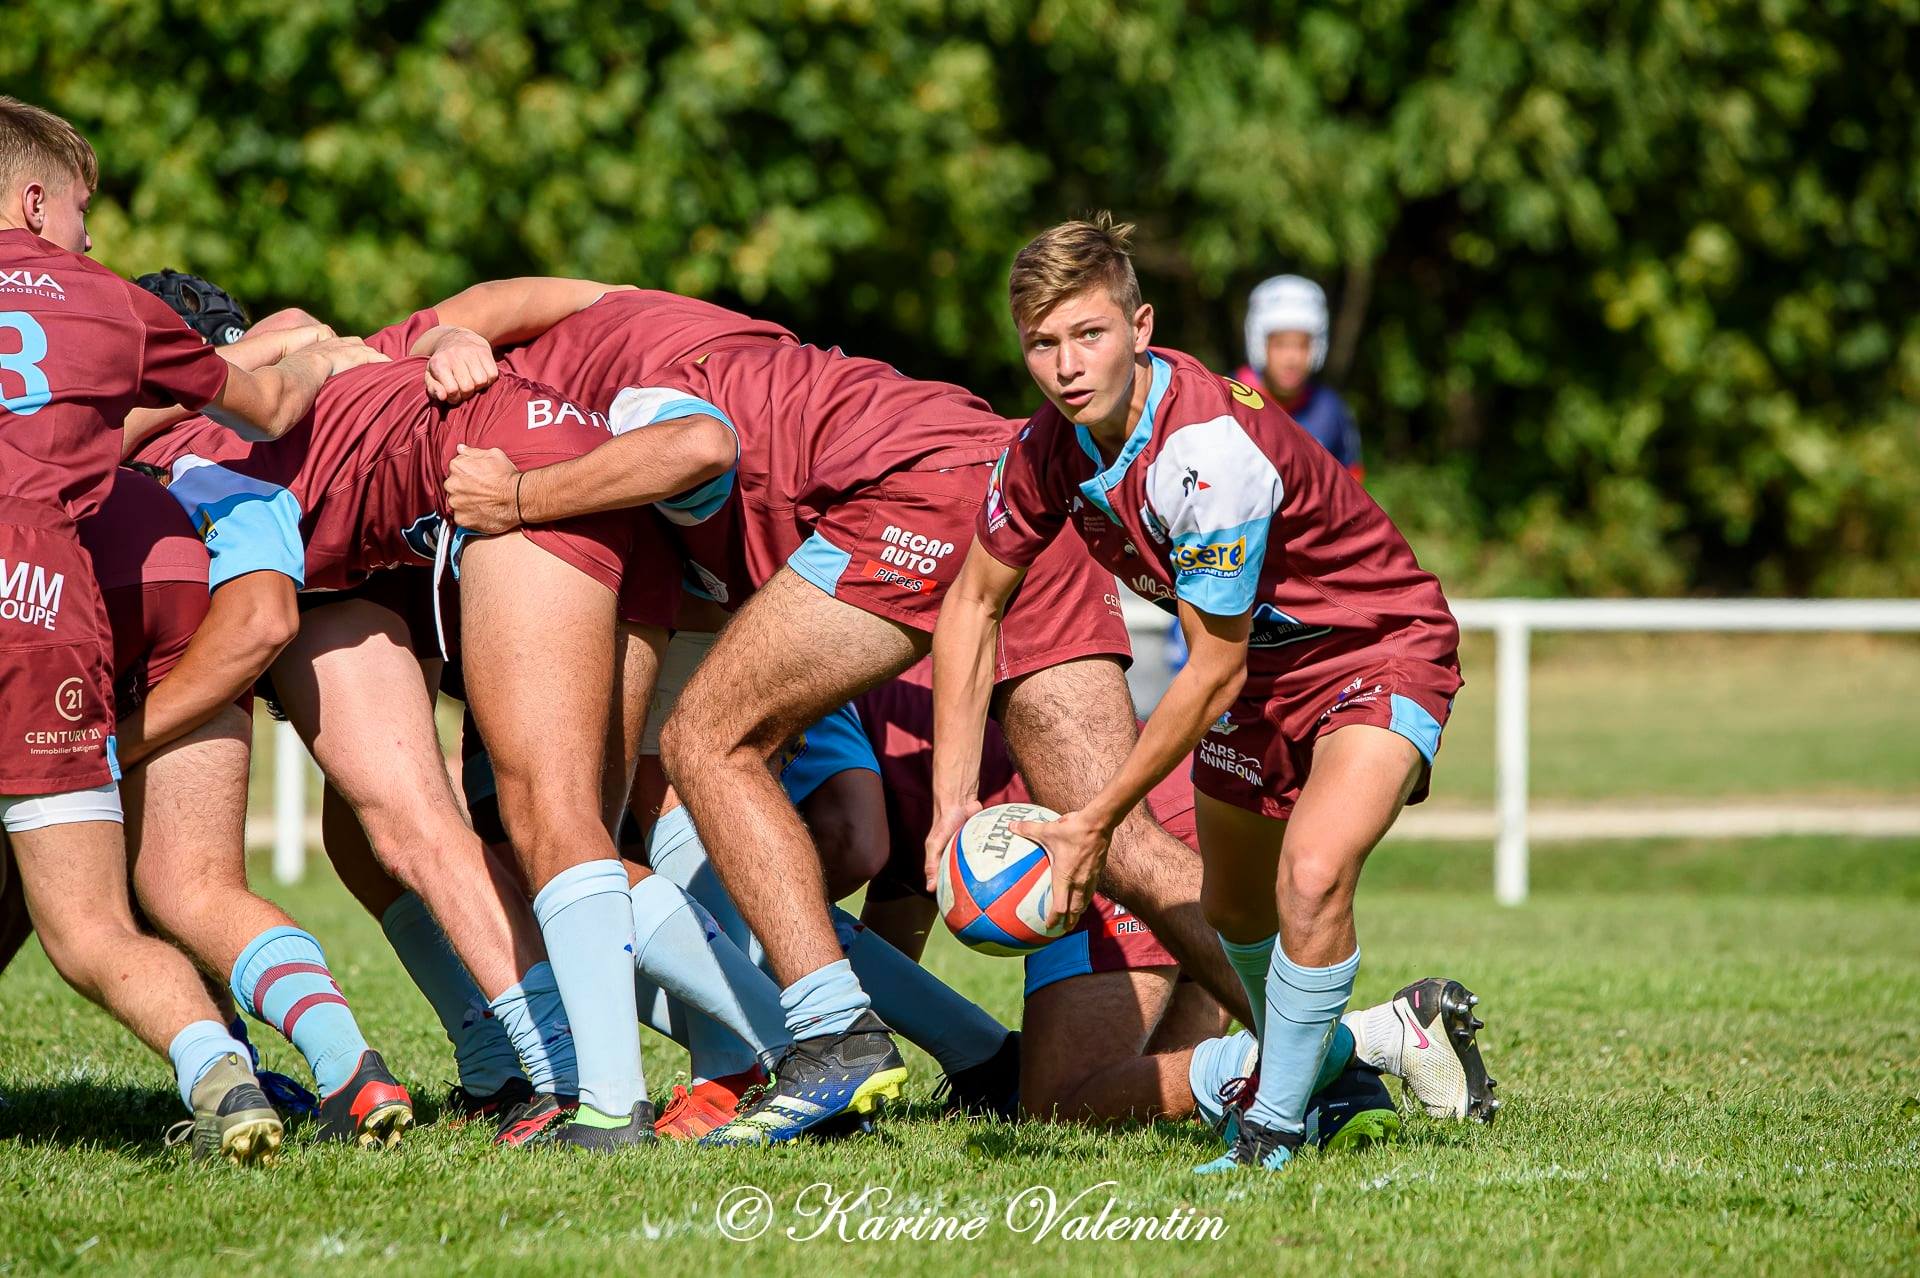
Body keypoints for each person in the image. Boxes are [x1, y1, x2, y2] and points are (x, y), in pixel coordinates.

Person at [443, 288, 1259, 1145]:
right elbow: (571, 302)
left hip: (922, 497)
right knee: (1121, 842)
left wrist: (519, 494)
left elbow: (696, 443)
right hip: (1021, 491)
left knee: (709, 741)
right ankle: (1314, 1057)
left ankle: (833, 1035)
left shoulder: (598, 390)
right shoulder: (675, 326)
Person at [930, 215, 1490, 1175]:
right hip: (1256, 672)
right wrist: (951, 805)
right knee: (1233, 916)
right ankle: (1377, 1045)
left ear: (1141, 327)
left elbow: (1212, 669)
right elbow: (971, 604)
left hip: (1373, 647)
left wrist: (1095, 819)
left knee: (1310, 877)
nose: (1066, 365)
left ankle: (1271, 1133)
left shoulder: (1207, 454)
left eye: (1089, 334)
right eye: (1042, 343)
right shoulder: (1048, 448)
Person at [0, 96, 378, 1164]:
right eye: (84, 213)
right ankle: (224, 1078)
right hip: (41, 597)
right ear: (37, 202)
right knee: (92, 929)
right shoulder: (110, 302)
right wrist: (315, 358)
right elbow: (265, 404)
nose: (90, 240)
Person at [1239, 275, 1362, 479]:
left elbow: (1351, 490)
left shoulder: (1331, 411)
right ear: (1259, 345)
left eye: (1302, 345)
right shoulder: (1226, 403)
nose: (1292, 358)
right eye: (1280, 345)